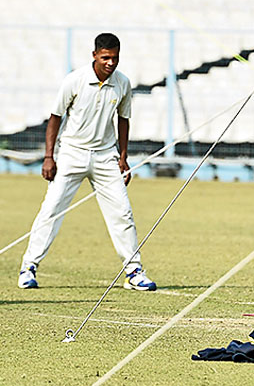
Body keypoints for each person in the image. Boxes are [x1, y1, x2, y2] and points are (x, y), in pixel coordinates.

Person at [17, 33, 156, 291]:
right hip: (72, 153)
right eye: (105, 58)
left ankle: (134, 271)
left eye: (114, 58)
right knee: (51, 209)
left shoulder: (122, 82)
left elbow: (123, 120)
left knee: (122, 213)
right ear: (95, 55)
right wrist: (49, 157)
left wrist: (123, 157)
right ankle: (28, 267)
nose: (110, 63)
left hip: (106, 157)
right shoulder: (75, 80)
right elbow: (55, 117)